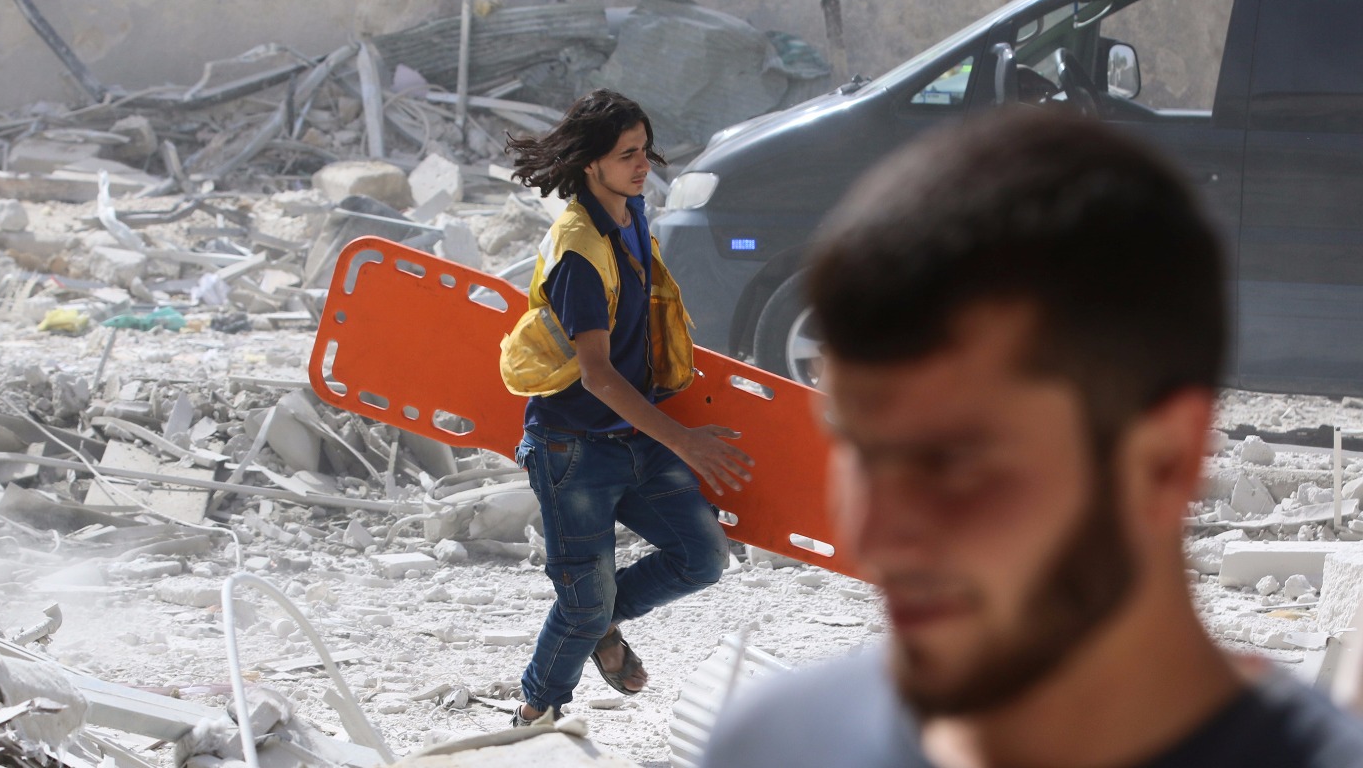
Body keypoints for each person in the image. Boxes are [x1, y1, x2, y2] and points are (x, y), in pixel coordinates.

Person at [701, 109, 1363, 767]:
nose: (873, 536)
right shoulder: (771, 746)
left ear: (1165, 463)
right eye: (858, 449)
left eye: (949, 463)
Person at [499, 89, 754, 727]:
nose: (643, 165)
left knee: (701, 558)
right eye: (627, 155)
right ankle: (534, 715)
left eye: (644, 150)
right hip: (573, 449)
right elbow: (597, 376)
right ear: (592, 164)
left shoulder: (630, 214)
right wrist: (685, 440)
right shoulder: (578, 252)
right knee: (582, 604)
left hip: (635, 437)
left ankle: (597, 625)